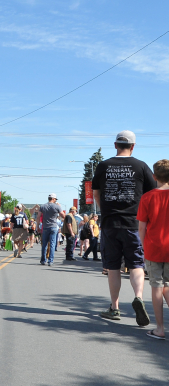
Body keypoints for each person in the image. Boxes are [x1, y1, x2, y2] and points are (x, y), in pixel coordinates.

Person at [93, 130, 156, 324]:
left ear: (115, 145)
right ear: (133, 146)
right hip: (134, 223)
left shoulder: (103, 166)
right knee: (136, 263)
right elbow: (151, 195)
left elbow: (96, 194)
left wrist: (106, 210)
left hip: (111, 223)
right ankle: (138, 296)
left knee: (113, 267)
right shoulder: (141, 166)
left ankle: (115, 307)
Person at [137, 159, 169, 340]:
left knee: (157, 286)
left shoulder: (147, 197)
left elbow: (142, 227)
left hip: (154, 247)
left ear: (154, 176)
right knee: (168, 285)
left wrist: (143, 246)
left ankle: (160, 328)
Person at [39, 193, 66, 266]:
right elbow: (63, 215)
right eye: (55, 199)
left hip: (45, 227)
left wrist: (38, 226)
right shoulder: (57, 206)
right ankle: (50, 261)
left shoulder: (43, 206)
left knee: (44, 244)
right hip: (54, 227)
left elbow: (38, 217)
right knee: (52, 244)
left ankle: (43, 260)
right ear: (53, 199)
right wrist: (60, 207)